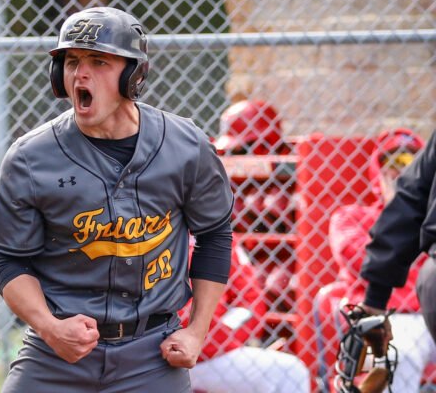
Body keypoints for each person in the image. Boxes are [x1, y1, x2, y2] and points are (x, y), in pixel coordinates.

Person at [0, 7, 234, 392]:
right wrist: (50, 329)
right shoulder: (30, 158)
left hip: (152, 353)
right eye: (72, 62)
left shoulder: (186, 146)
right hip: (57, 354)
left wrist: (196, 332)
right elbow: (8, 259)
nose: (80, 74)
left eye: (98, 61)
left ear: (133, 75)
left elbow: (215, 233)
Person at [316, 128, 435, 392]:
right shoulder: (351, 217)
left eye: (410, 161)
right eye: (392, 162)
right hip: (388, 316)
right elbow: (361, 261)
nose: (400, 171)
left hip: (429, 313)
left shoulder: (430, 222)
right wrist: (398, 217)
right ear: (376, 170)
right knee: (400, 352)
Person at [185, 238, 310, 393]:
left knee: (291, 371)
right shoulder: (163, 233)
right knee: (291, 371)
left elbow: (251, 301)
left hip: (211, 356)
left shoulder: (219, 234)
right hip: (160, 353)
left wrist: (217, 334)